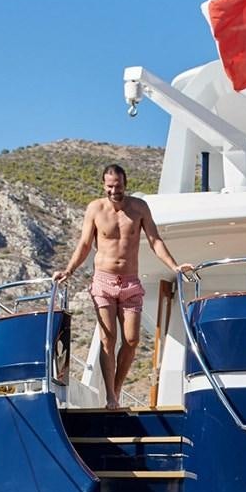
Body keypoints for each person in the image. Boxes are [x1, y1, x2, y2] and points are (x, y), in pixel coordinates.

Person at [53, 163, 192, 408]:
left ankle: (116, 388)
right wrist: (69, 270)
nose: (114, 191)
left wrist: (175, 266)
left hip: (130, 283)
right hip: (103, 281)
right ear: (103, 185)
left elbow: (155, 240)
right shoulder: (95, 209)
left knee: (131, 340)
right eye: (109, 186)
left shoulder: (139, 208)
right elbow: (85, 244)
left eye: (118, 186)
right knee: (108, 339)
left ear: (125, 184)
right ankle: (111, 397)